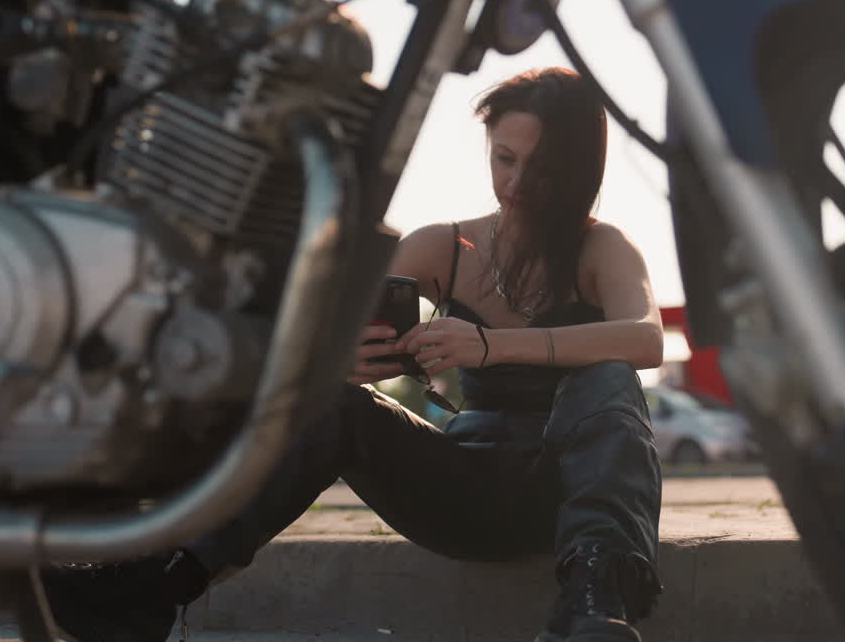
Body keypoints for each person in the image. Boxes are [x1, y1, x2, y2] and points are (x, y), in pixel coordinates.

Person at [42, 66, 666, 642]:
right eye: (504, 159)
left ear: (581, 171)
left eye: (543, 170)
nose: (517, 184)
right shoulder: (444, 245)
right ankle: (157, 586)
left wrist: (488, 345)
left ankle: (592, 606)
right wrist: (347, 359)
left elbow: (646, 338)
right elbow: (320, 336)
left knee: (606, 374)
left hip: (572, 496)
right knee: (335, 403)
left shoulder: (602, 248)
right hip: (465, 489)